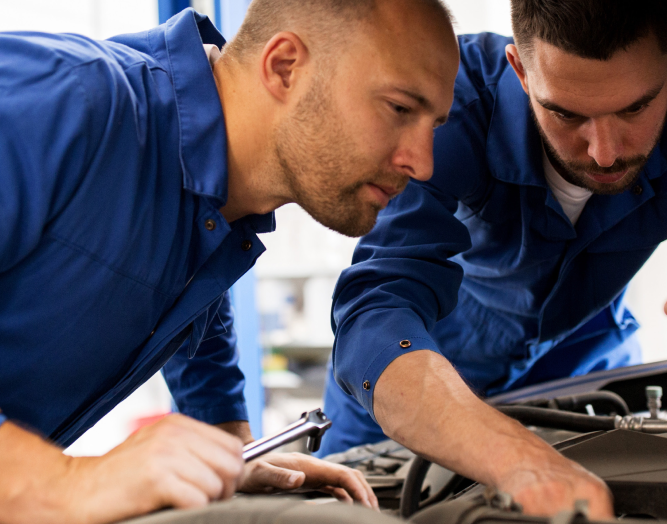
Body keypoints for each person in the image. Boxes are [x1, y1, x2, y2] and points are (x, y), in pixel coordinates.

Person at [321, 0, 667, 519]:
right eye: (567, 113)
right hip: (418, 375)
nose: (604, 153)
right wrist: (510, 455)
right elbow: (376, 305)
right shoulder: (452, 105)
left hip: (586, 362)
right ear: (520, 70)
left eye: (635, 108)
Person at [0, 0, 458, 522]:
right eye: (400, 108)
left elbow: (188, 323)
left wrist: (230, 452)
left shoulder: (217, 216)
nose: (423, 163)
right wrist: (63, 482)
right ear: (285, 67)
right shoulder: (67, 98)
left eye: (435, 124)